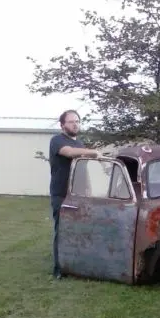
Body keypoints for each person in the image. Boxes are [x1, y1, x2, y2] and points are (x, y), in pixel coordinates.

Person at [49, 110, 101, 278]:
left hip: (79, 194)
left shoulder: (80, 143)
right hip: (61, 194)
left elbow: (84, 168)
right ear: (62, 124)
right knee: (62, 230)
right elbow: (69, 153)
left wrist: (88, 189)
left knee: (79, 229)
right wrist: (93, 152)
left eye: (77, 121)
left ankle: (77, 265)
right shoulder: (57, 141)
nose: (75, 124)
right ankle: (59, 269)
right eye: (71, 121)